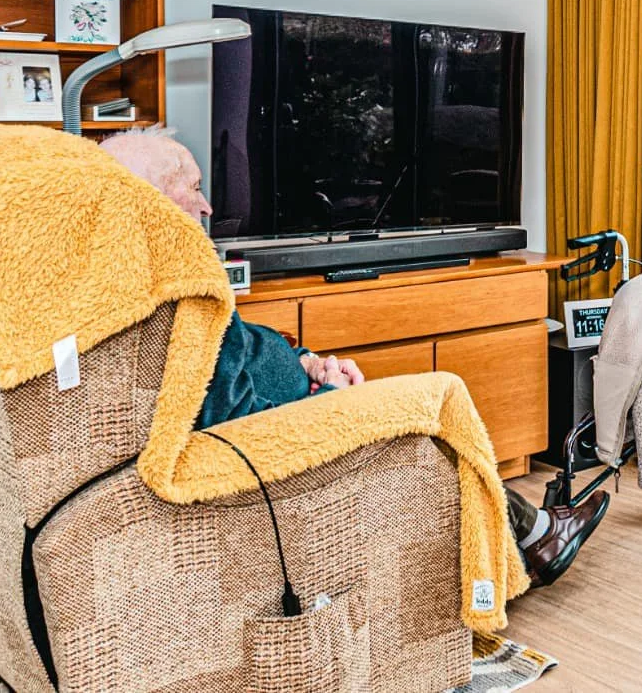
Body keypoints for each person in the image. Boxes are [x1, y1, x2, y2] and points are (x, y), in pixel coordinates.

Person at [98, 128, 608, 588]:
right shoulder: (178, 292)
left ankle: (530, 537)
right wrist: (329, 403)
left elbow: (243, 347)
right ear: (154, 198)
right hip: (298, 432)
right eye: (194, 188)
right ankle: (538, 536)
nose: (207, 206)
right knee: (438, 405)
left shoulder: (161, 275)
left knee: (429, 433)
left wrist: (307, 362)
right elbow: (232, 420)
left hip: (311, 393)